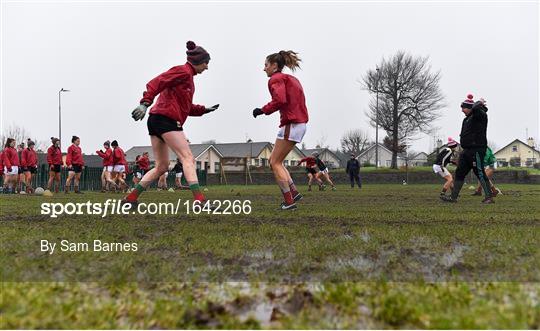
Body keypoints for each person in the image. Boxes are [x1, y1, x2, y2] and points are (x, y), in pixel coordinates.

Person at [124, 41, 219, 208]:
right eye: (206, 63)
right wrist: (145, 103)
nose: (207, 67)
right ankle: (199, 200)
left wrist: (204, 110)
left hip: (156, 120)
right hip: (165, 119)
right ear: (198, 61)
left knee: (161, 166)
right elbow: (157, 81)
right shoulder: (182, 71)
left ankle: (131, 198)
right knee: (188, 158)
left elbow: (185, 107)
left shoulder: (187, 77)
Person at [252, 50, 308, 210]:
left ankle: (289, 202)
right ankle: (294, 192)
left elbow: (280, 100)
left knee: (274, 162)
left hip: (292, 123)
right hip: (299, 122)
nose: (264, 69)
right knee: (278, 161)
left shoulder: (275, 79)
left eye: (266, 65)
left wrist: (262, 110)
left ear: (275, 65)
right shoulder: (292, 78)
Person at [441, 95, 493, 203]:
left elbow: (476, 107)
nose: (462, 110)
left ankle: (489, 197)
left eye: (463, 108)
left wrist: (480, 102)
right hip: (467, 151)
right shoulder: (466, 119)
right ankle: (453, 197)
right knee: (459, 172)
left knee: (480, 173)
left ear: (470, 107)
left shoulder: (480, 115)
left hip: (477, 149)